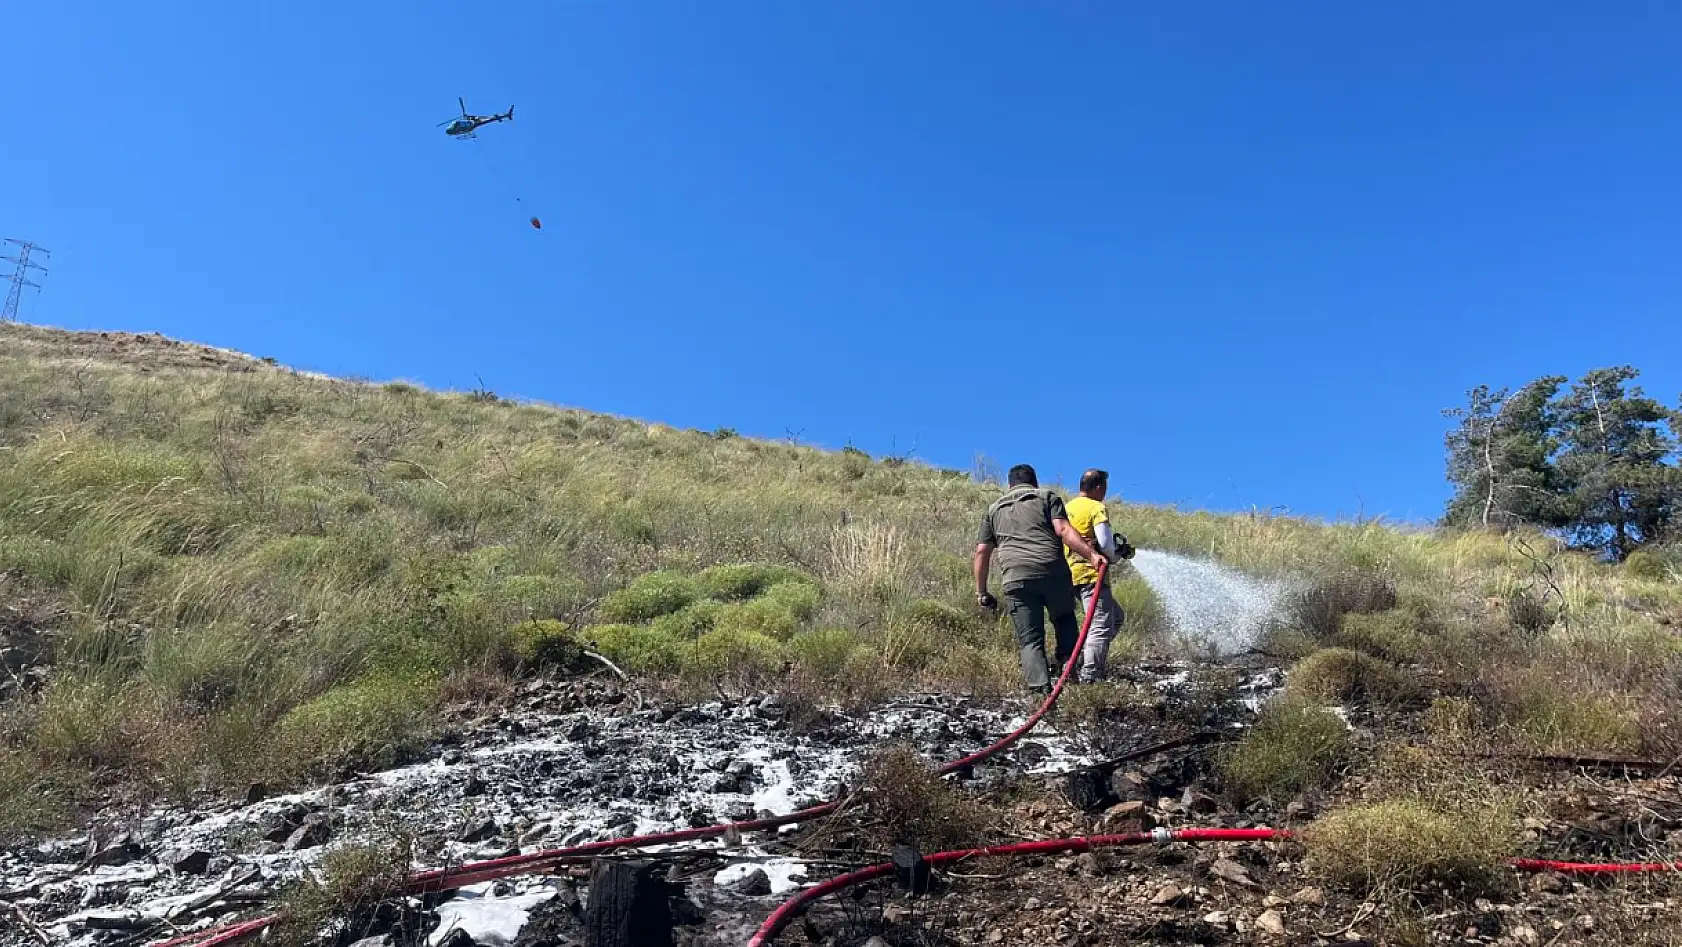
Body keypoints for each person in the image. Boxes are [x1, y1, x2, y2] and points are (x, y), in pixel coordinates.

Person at [974, 464, 1107, 695]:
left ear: (1010, 485)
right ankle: (1069, 674)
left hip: (1016, 581)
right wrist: (1092, 555)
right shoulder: (1046, 497)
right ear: (1034, 482)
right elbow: (1064, 530)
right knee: (1064, 618)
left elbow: (982, 552)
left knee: (1030, 640)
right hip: (1052, 573)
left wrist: (982, 592)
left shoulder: (994, 509)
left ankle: (1040, 693)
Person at [1062, 468, 1135, 683]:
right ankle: (1090, 677)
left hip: (1069, 574)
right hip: (1091, 574)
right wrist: (1117, 554)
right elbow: (1105, 544)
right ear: (1099, 487)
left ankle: (1080, 660)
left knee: (1116, 618)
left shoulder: (1067, 508)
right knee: (1100, 626)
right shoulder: (1096, 507)